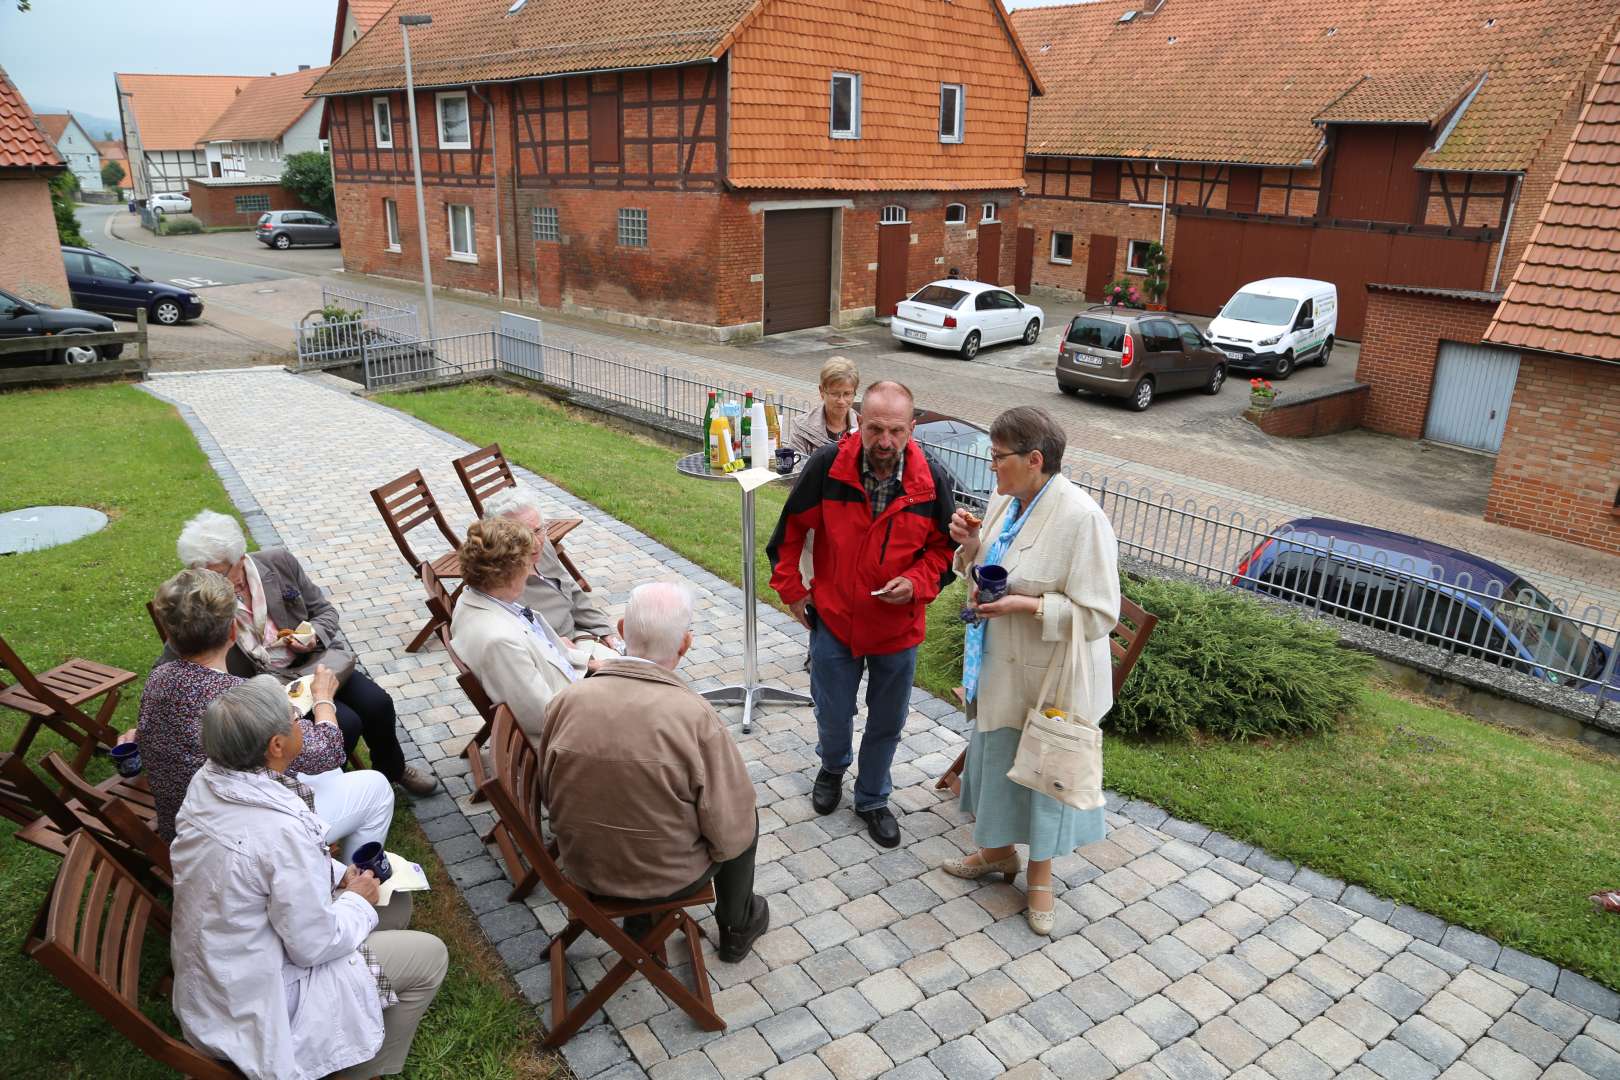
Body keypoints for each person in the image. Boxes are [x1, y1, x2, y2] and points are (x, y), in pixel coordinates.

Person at [170, 678, 447, 1079]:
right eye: (295, 719)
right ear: (276, 747)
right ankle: (360, 1069)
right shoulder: (276, 831)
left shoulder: (210, 782)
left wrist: (339, 875)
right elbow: (312, 945)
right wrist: (354, 898)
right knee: (430, 956)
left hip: (224, 973)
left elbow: (266, 877)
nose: (302, 722)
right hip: (262, 1005)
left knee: (395, 901)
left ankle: (361, 1009)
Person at [944, 406, 1121, 934]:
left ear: (1035, 460)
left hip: (1050, 678)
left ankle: (1040, 880)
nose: (991, 468)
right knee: (996, 756)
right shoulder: (1006, 499)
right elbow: (986, 568)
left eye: (999, 458)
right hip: (998, 663)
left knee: (1042, 773)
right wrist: (970, 546)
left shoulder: (1081, 518)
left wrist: (1028, 607)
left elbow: (1098, 614)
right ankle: (997, 854)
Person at [766, 379, 958, 847]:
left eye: (895, 430)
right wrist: (792, 591)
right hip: (834, 620)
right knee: (833, 712)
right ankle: (832, 767)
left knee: (886, 722)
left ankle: (872, 797)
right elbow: (789, 531)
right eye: (875, 428)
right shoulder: (829, 465)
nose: (885, 441)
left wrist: (915, 583)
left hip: (898, 627)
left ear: (912, 428)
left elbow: (944, 553)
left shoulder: (933, 478)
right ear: (859, 420)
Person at [540, 581, 769, 962]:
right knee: (743, 811)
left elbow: (549, 791)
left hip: (584, 865)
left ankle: (648, 923)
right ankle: (736, 925)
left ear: (623, 630)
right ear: (685, 644)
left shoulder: (567, 699)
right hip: (667, 878)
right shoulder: (695, 716)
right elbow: (730, 833)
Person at [173, 510, 436, 796]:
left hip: (314, 663)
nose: (212, 581)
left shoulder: (278, 563)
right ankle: (336, 793)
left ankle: (392, 769)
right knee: (347, 722)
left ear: (240, 557)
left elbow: (325, 611)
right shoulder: (203, 596)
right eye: (202, 573)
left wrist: (313, 635)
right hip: (269, 687)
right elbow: (181, 651)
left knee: (378, 703)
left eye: (219, 572)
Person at [137, 569, 394, 860]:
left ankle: (324, 865)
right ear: (233, 631)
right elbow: (329, 750)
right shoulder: (241, 699)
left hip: (186, 827)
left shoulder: (159, 678)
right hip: (243, 839)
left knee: (326, 772)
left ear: (169, 635)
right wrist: (323, 700)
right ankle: (349, 884)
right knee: (376, 787)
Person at [451, 517, 579, 743]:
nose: (531, 571)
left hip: (569, 686)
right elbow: (544, 716)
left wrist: (592, 663)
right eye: (527, 563)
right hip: (568, 733)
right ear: (508, 573)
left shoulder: (475, 597)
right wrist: (599, 695)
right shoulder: (499, 641)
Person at [482, 484, 622, 660]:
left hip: (582, 637)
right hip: (561, 660)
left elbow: (571, 588)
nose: (535, 543)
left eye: (538, 530)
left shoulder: (544, 545)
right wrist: (567, 652)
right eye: (522, 536)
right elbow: (522, 647)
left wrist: (605, 631)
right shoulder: (502, 587)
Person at [787, 356, 860, 457]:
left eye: (847, 394)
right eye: (835, 394)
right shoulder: (801, 428)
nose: (841, 401)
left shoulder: (863, 428)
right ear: (822, 391)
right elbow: (797, 470)